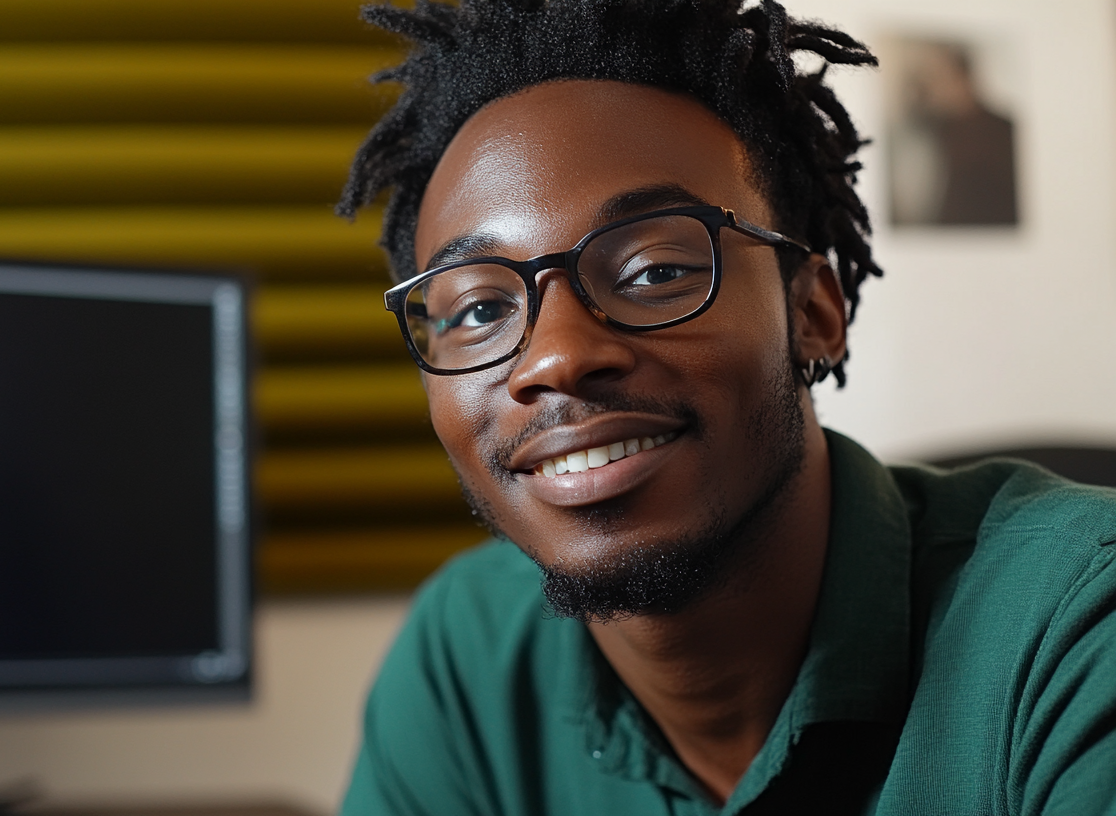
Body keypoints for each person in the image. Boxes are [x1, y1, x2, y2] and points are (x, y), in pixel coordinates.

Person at [332, 1, 1116, 814]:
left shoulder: (1080, 626)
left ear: (813, 313)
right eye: (479, 310)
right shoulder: (467, 655)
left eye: (653, 271)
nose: (556, 356)